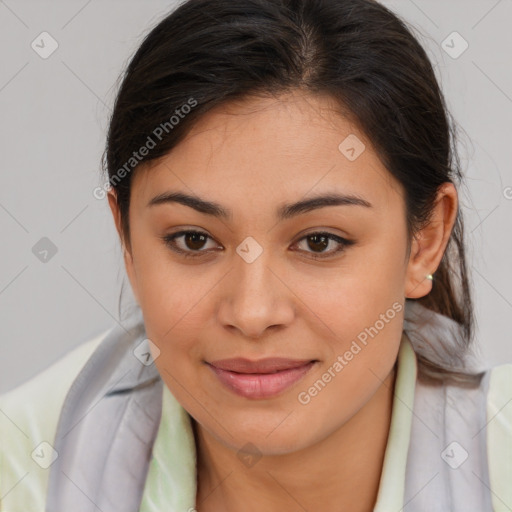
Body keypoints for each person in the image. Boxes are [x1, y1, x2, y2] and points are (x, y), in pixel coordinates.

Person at [1, 0, 511, 510]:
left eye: (319, 241)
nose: (251, 313)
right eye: (194, 240)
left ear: (424, 241)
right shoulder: (26, 466)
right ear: (127, 239)